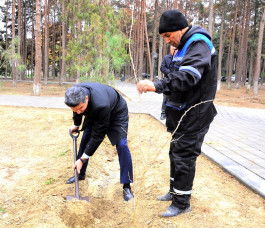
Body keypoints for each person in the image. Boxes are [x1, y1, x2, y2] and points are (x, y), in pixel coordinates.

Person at [137, 10, 217, 217]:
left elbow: (188, 77)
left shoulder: (198, 43)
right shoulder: (182, 47)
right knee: (175, 152)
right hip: (182, 113)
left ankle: (182, 203)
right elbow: (175, 74)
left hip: (194, 113)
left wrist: (156, 86)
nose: (167, 41)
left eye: (168, 36)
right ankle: (174, 192)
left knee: (184, 156)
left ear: (180, 29)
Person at [64, 82, 134, 202]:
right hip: (95, 110)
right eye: (76, 110)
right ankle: (80, 174)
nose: (79, 112)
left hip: (117, 112)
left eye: (81, 108)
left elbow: (98, 136)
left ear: (86, 98)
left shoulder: (101, 105)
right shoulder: (75, 94)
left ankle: (127, 186)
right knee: (85, 138)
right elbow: (76, 111)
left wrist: (82, 159)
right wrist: (76, 124)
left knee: (122, 145)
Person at [159, 46, 176, 120]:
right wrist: (170, 73)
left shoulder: (180, 58)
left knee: (174, 98)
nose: (175, 51)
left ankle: (171, 114)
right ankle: (163, 113)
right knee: (166, 98)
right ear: (170, 50)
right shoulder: (166, 58)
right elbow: (162, 68)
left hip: (176, 82)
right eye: (173, 49)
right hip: (167, 81)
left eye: (176, 49)